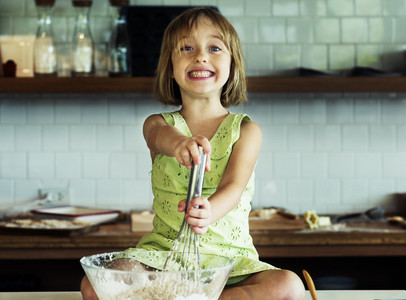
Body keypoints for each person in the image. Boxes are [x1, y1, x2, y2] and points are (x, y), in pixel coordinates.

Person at [81, 7, 305, 300]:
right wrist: (178, 144)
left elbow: (233, 186)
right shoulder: (159, 125)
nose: (200, 56)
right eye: (187, 48)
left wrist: (209, 210)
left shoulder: (247, 131)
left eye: (214, 48)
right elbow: (160, 137)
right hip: (163, 257)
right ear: (170, 68)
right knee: (95, 285)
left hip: (230, 263)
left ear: (233, 65)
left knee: (289, 286)